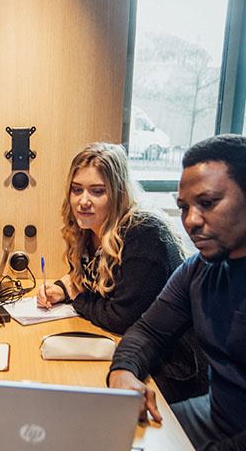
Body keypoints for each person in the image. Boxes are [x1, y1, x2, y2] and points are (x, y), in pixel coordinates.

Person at [108, 134, 246, 451]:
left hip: (236, 450)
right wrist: (123, 372)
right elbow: (147, 331)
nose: (191, 221)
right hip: (217, 415)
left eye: (208, 203)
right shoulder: (199, 268)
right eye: (183, 207)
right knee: (103, 444)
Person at [36, 142, 207, 401]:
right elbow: (86, 280)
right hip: (130, 352)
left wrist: (76, 297)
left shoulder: (144, 232)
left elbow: (121, 317)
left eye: (97, 191)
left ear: (117, 194)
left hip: (172, 368)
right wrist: (62, 288)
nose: (83, 201)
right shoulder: (89, 230)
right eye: (76, 190)